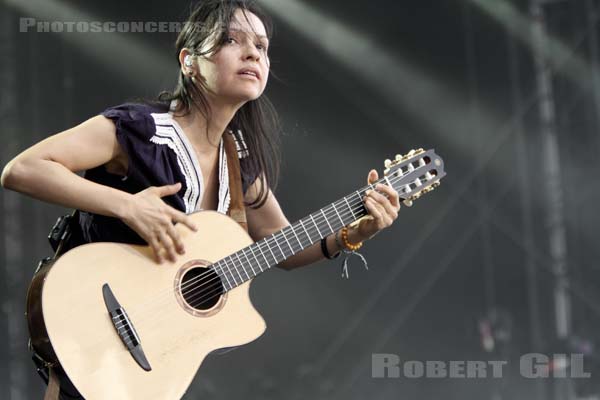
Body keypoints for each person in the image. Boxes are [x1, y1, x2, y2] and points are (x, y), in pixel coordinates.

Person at [1, 1, 401, 398]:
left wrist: (357, 231)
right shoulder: (142, 129)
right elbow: (23, 169)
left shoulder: (239, 163)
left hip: (151, 355)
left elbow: (285, 246)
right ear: (189, 61)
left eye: (261, 47)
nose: (252, 53)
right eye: (232, 40)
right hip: (91, 313)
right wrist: (126, 204)